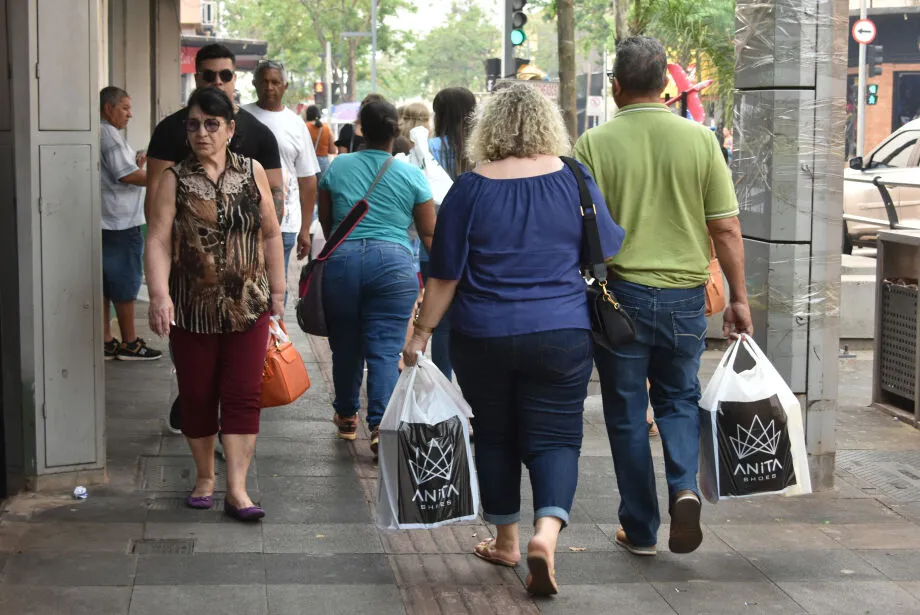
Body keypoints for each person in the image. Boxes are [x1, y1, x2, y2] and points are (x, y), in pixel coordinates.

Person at [403, 83, 624, 596]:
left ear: (489, 129)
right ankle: (546, 534)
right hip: (562, 331)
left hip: (484, 335)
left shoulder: (470, 188)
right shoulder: (575, 177)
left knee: (495, 434)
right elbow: (606, 249)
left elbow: (445, 275)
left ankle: (506, 542)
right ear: (549, 125)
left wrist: (420, 334)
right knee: (557, 437)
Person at [574, 36, 753, 557]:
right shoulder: (701, 141)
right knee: (678, 398)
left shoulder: (593, 144)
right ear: (665, 86)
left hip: (618, 299)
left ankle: (640, 527)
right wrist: (739, 298)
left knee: (627, 411)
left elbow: (581, 229)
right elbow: (726, 227)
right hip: (685, 297)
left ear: (616, 86)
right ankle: (684, 488)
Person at [145, 87, 285, 521]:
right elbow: (158, 240)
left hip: (249, 305)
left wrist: (279, 293)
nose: (201, 133)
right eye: (194, 125)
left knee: (243, 395)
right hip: (192, 308)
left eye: (211, 124)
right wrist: (159, 295)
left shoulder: (252, 171)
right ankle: (205, 477)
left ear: (229, 129)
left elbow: (270, 233)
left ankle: (237, 490)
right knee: (197, 394)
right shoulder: (173, 179)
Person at [318, 100, 436, 454]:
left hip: (343, 262)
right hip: (394, 266)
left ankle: (346, 416)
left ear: (361, 130)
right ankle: (380, 427)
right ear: (395, 131)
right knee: (385, 349)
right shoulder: (411, 175)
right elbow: (429, 233)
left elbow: (328, 222)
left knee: (345, 345)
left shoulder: (338, 167)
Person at [243, 60, 320, 286]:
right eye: (264, 81)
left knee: (276, 285)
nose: (269, 87)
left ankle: (275, 311)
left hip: (283, 223)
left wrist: (305, 229)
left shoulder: (296, 125)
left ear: (285, 86)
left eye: (275, 82)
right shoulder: (240, 118)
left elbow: (308, 180)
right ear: (254, 84)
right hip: (241, 219)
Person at [99, 86, 162, 361]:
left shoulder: (105, 133)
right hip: (120, 224)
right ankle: (129, 343)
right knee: (124, 284)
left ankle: (106, 339)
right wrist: (161, 176)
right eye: (124, 108)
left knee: (106, 284)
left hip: (110, 222)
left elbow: (125, 169)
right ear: (108, 108)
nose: (130, 114)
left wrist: (138, 164)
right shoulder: (109, 135)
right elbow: (126, 176)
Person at [419, 87, 477, 380]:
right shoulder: (481, 151)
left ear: (439, 114)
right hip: (475, 244)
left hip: (433, 242)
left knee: (440, 321)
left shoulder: (427, 149)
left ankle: (444, 384)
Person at [305, 105, 335, 177]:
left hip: (308, 161)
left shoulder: (304, 127)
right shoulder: (326, 128)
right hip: (323, 162)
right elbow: (333, 150)